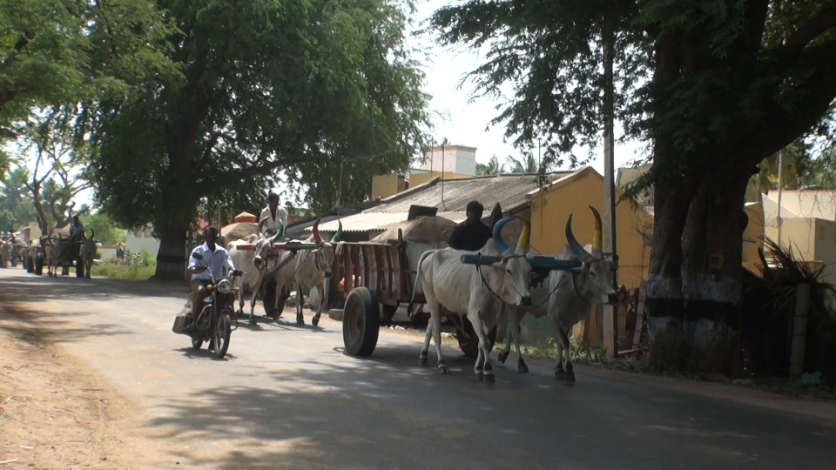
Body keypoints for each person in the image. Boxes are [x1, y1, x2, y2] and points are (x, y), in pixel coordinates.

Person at [186, 227, 238, 327]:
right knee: (201, 292)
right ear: (205, 237)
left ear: (217, 238)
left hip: (217, 281)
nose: (211, 239)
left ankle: (226, 314)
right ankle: (195, 321)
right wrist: (197, 269)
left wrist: (233, 270)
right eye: (209, 236)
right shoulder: (198, 251)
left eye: (214, 237)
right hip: (200, 281)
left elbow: (228, 264)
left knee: (230, 293)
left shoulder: (222, 251)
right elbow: (191, 266)